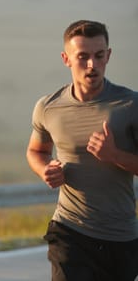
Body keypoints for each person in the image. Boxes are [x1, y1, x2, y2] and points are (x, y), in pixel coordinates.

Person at [26, 20, 138, 280]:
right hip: (70, 230)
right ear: (66, 59)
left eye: (99, 56)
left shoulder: (131, 105)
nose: (92, 65)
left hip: (120, 237)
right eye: (83, 57)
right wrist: (46, 169)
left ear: (108, 55)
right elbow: (36, 151)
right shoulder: (49, 107)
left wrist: (115, 156)